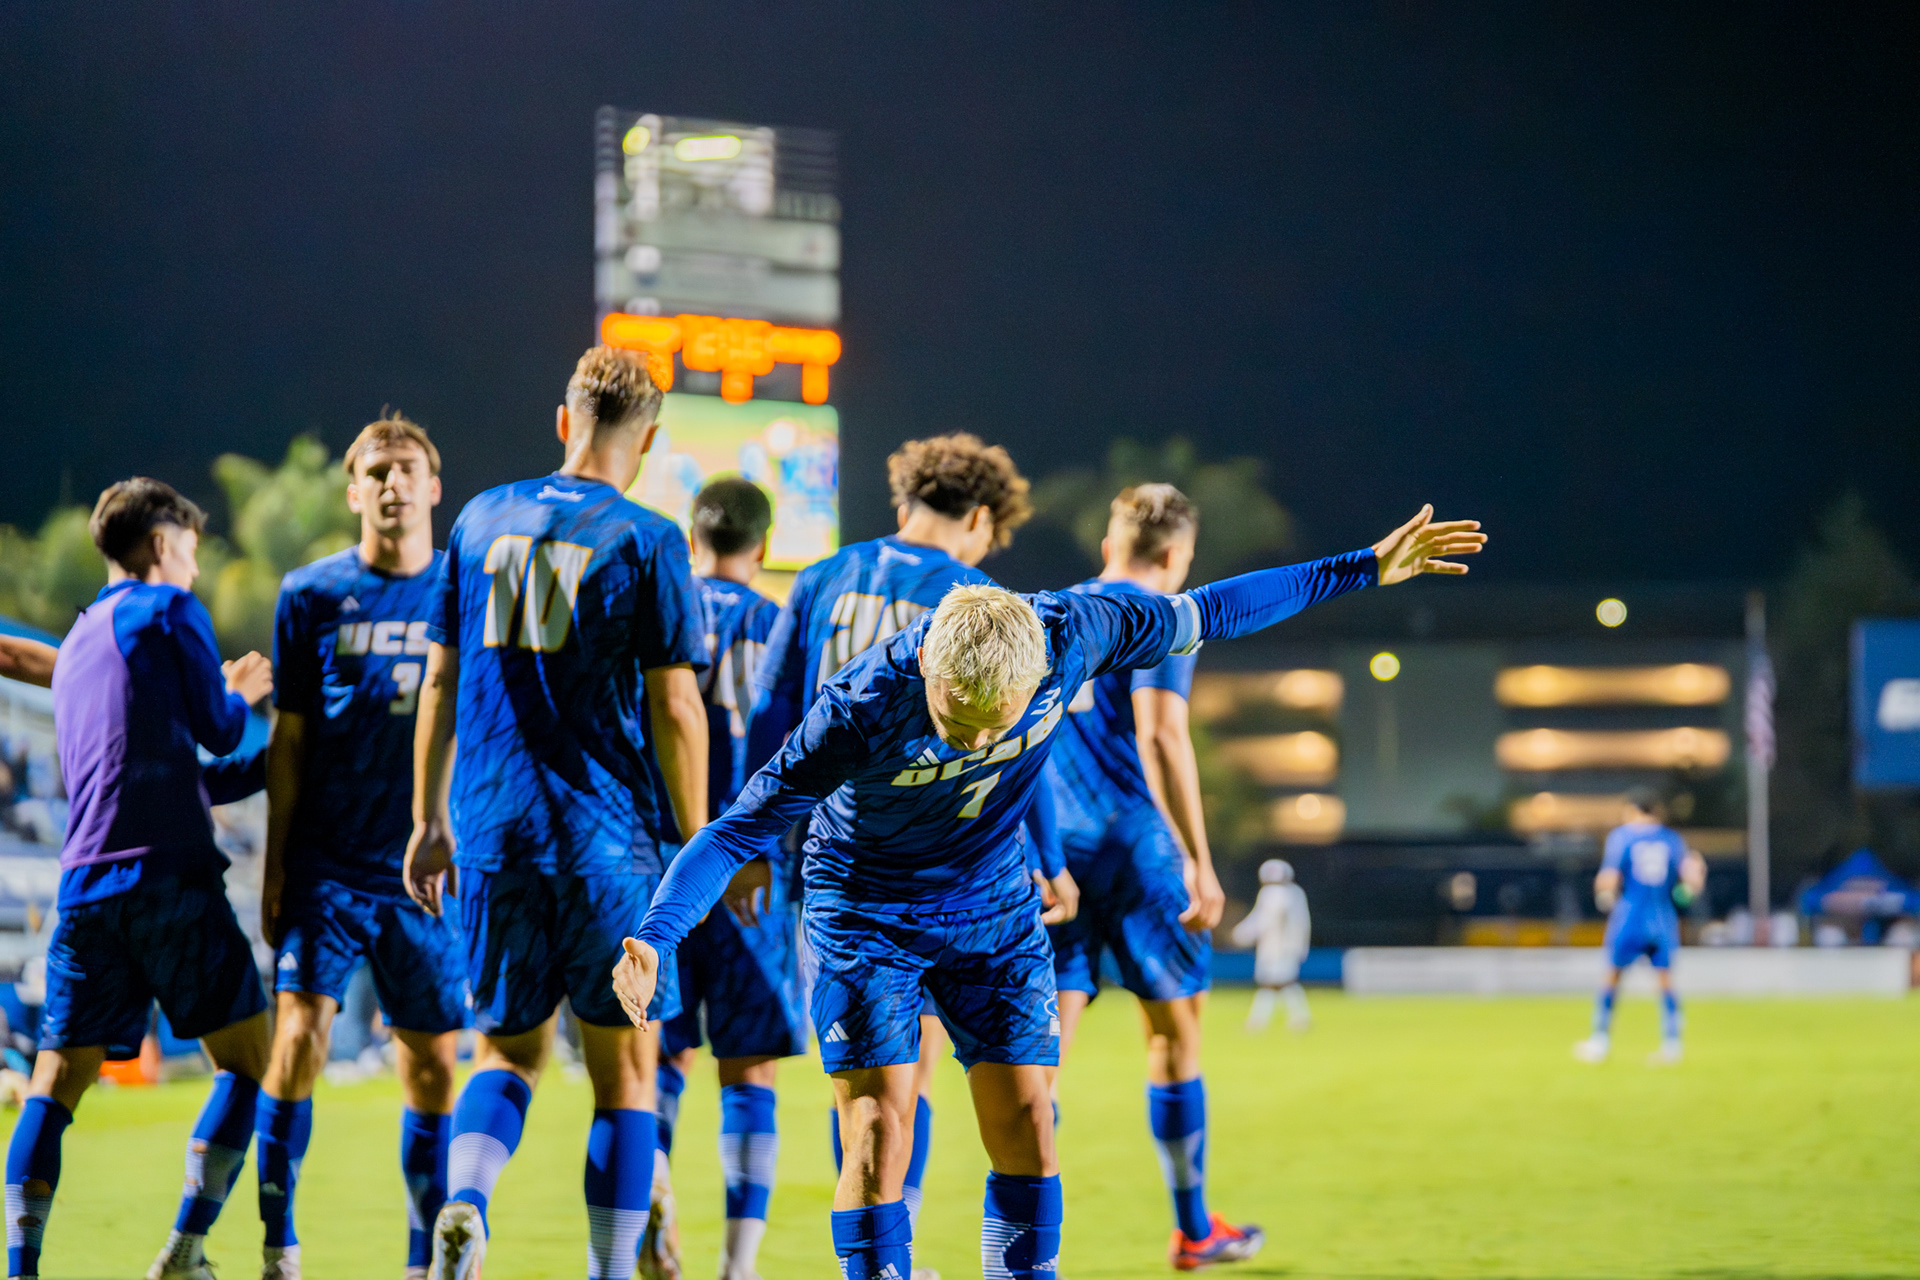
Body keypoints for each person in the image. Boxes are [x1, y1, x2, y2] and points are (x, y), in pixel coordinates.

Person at [613, 505, 1485, 1280]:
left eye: (996, 723)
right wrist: (655, 935)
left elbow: (1217, 609)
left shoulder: (1075, 632)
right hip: (866, 913)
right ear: (930, 670)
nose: (974, 742)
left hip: (992, 906)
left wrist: (1364, 567)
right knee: (878, 1131)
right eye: (958, 720)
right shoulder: (858, 708)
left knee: (1030, 1120)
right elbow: (733, 831)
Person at [403, 346, 711, 1280]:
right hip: (608, 848)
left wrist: (427, 820)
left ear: (564, 420)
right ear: (648, 442)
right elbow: (676, 707)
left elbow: (439, 681)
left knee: (505, 1055)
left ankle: (466, 1201)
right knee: (625, 1077)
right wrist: (701, 843)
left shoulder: (478, 517)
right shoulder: (648, 536)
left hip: (492, 836)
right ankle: (610, 1271)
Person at [745, 431, 1042, 1280]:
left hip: (827, 859)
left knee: (864, 1078)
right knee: (916, 1073)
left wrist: (757, 840)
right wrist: (1046, 857)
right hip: (934, 861)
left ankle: (880, 1259)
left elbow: (769, 712)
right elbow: (1019, 740)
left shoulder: (822, 576)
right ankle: (897, 1239)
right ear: (980, 518)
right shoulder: (973, 598)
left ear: (905, 497)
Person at [5, 479, 275, 1280]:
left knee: (53, 1086)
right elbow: (220, 731)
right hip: (172, 879)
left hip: (87, 888)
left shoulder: (82, 641)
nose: (195, 566)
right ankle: (186, 1250)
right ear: (161, 544)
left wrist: (270, 764)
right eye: (190, 548)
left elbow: (176, 776)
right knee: (250, 1063)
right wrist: (242, 693)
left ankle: (21, 1268)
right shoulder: (170, 611)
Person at [255, 415, 469, 1280]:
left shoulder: (464, 589)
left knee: (434, 1067)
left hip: (429, 876)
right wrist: (274, 866)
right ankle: (279, 1247)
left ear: (433, 487)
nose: (392, 482)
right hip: (329, 867)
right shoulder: (309, 594)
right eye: (376, 471)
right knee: (298, 1038)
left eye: (406, 468)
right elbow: (289, 741)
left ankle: (422, 1262)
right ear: (353, 492)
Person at [1044, 484, 1266, 1270]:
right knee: (1175, 1037)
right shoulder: (1168, 616)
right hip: (1139, 852)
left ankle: (1027, 1249)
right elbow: (1162, 734)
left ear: (1111, 545)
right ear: (1176, 556)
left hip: (1056, 857)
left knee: (1042, 1058)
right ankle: (1193, 1227)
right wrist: (1198, 858)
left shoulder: (1057, 611)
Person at [646, 477, 794, 1280]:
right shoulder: (777, 624)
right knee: (749, 1070)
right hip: (749, 873)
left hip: (658, 870)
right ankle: (737, 1266)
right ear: (762, 545)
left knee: (659, 1058)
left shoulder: (659, 610)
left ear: (691, 538)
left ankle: (652, 1179)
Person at [1573, 789, 1705, 1066]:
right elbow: (1691, 882)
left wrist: (1603, 897)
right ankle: (1672, 1044)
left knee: (1612, 976)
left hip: (1630, 915)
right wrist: (1687, 891)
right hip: (1662, 917)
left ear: (1632, 810)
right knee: (1665, 981)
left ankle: (1600, 1040)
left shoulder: (1623, 836)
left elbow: (1608, 878)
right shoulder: (1672, 839)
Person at [1234, 860, 1312, 1033]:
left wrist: (1241, 934)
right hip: (1290, 947)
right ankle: (1296, 1018)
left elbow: (1262, 921)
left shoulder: (1271, 894)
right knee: (1282, 984)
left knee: (1273, 984)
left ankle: (1260, 1021)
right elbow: (1304, 923)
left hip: (1275, 948)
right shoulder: (1296, 892)